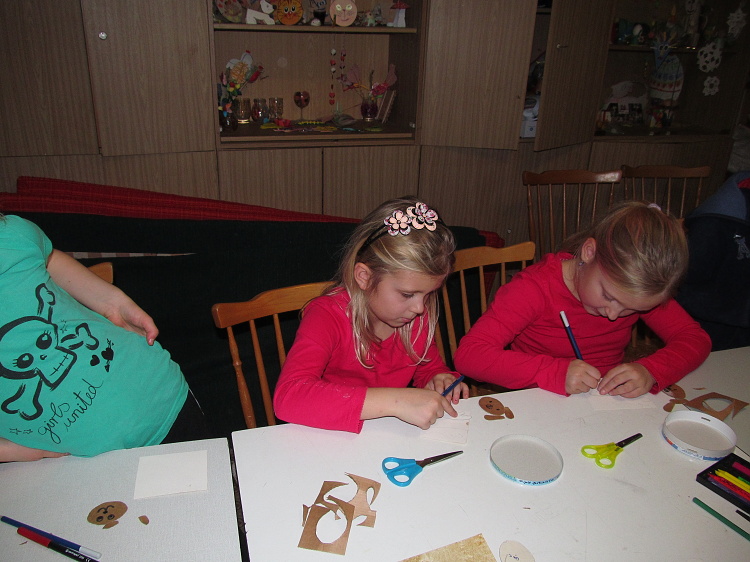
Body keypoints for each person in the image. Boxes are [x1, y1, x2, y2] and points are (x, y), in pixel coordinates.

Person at [0, 215, 206, 462]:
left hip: (157, 397)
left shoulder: (9, 233)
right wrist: (11, 451)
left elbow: (49, 259)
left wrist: (113, 303)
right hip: (73, 459)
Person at [454, 201, 711, 398]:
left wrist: (651, 370)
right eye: (608, 296)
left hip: (603, 401)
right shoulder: (534, 289)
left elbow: (695, 339)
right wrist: (553, 372)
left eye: (631, 310)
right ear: (589, 252)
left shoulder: (638, 289)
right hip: (540, 399)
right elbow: (470, 356)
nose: (613, 314)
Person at [273, 197, 469, 432]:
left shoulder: (413, 316)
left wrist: (438, 378)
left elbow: (428, 367)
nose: (420, 308)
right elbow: (289, 398)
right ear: (364, 277)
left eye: (429, 294)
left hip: (383, 434)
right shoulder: (326, 316)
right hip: (329, 435)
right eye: (407, 294)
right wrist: (397, 401)